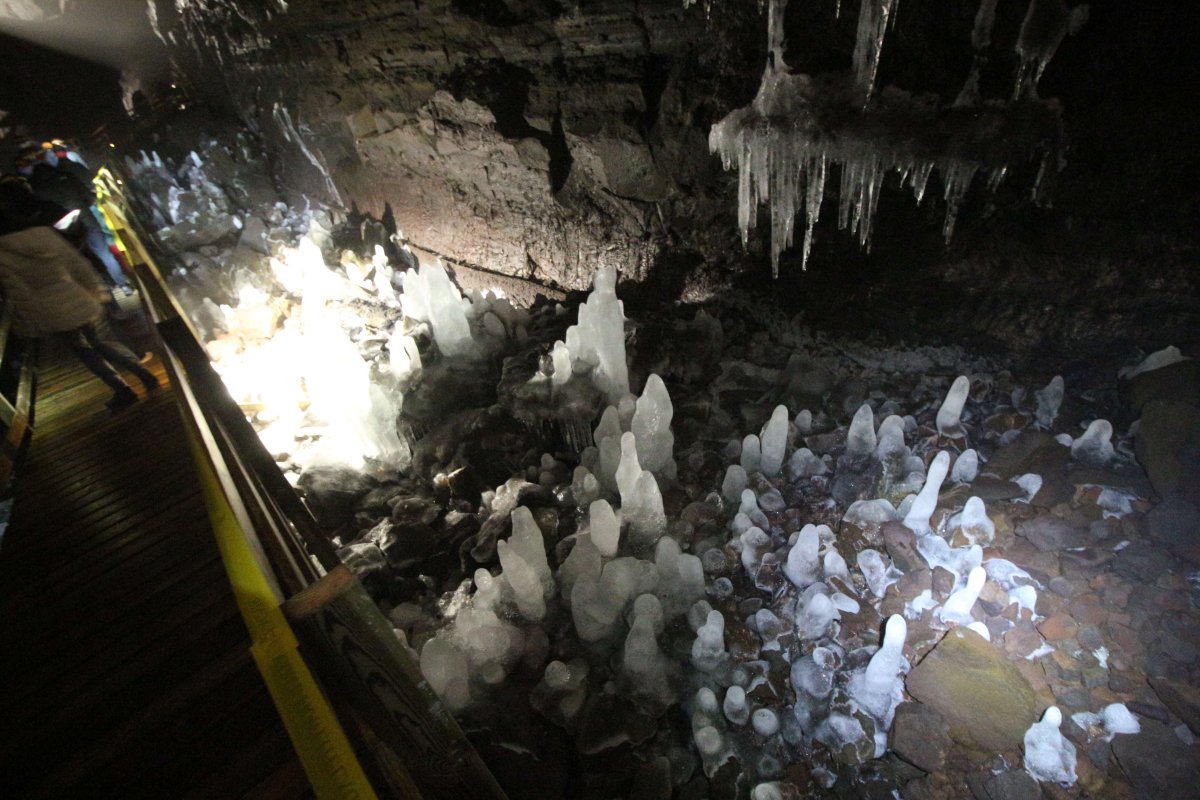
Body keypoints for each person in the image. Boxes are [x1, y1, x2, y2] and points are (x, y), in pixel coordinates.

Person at [0, 183, 158, 412]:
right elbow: (77, 264)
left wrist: (29, 324)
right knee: (105, 342)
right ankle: (144, 375)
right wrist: (97, 292)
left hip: (51, 312)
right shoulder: (43, 235)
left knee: (86, 353)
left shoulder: (3, 253)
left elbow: (17, 291)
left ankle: (122, 390)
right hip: (80, 298)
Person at [14, 141, 132, 295]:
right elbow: (90, 198)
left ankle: (105, 291)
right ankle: (123, 284)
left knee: (85, 261)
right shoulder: (65, 176)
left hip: (65, 232)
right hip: (86, 219)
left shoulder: (36, 190)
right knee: (104, 253)